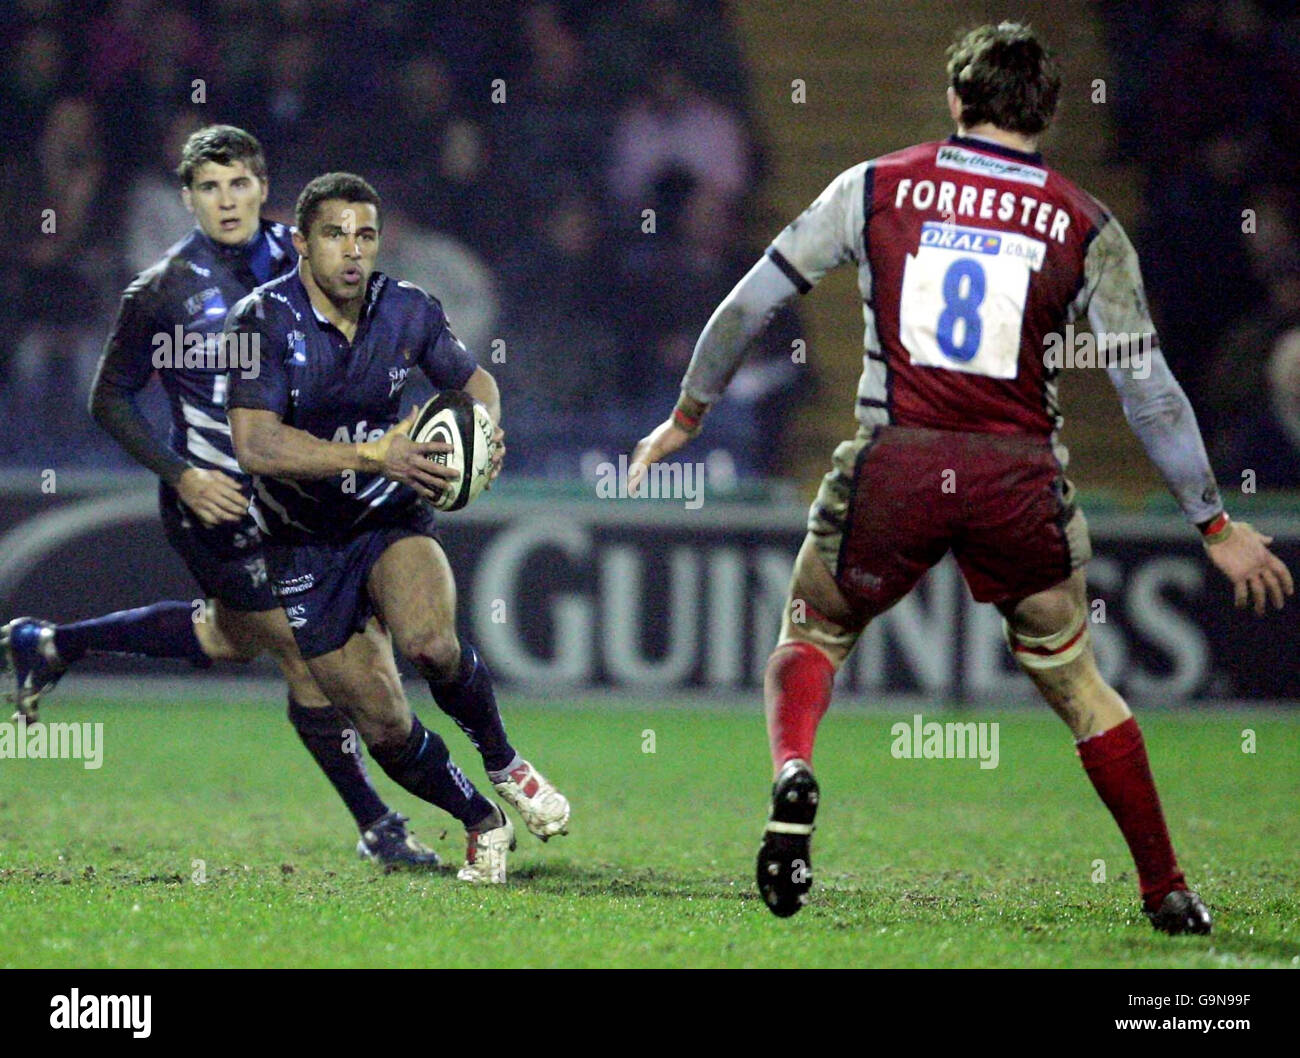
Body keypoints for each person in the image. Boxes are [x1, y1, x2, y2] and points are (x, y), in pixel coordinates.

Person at [628, 22, 1293, 933]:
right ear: (1049, 115)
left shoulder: (872, 185)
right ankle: (1164, 885)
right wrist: (1215, 526)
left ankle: (793, 770)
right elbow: (1152, 393)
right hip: (1014, 476)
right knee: (1079, 685)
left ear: (956, 101)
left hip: (895, 457)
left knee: (812, 630)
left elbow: (751, 304)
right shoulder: (1086, 223)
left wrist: (689, 414)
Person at [2, 126, 439, 869]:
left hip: (294, 497)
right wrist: (182, 475)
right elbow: (107, 400)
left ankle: (49, 643)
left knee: (229, 639)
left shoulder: (302, 252)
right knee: (308, 656)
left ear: (264, 189)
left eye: (239, 183)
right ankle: (378, 825)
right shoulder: (162, 290)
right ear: (187, 198)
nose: (226, 200)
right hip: (216, 506)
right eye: (209, 186)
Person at [226, 172, 569, 884]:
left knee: (432, 644)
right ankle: (481, 820)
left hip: (388, 516)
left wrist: (485, 435)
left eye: (365, 235)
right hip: (303, 545)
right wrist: (370, 452)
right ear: (298, 244)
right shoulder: (261, 323)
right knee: (382, 724)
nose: (353, 252)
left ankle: (505, 763)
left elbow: (475, 383)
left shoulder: (407, 309)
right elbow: (256, 446)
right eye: (334, 234)